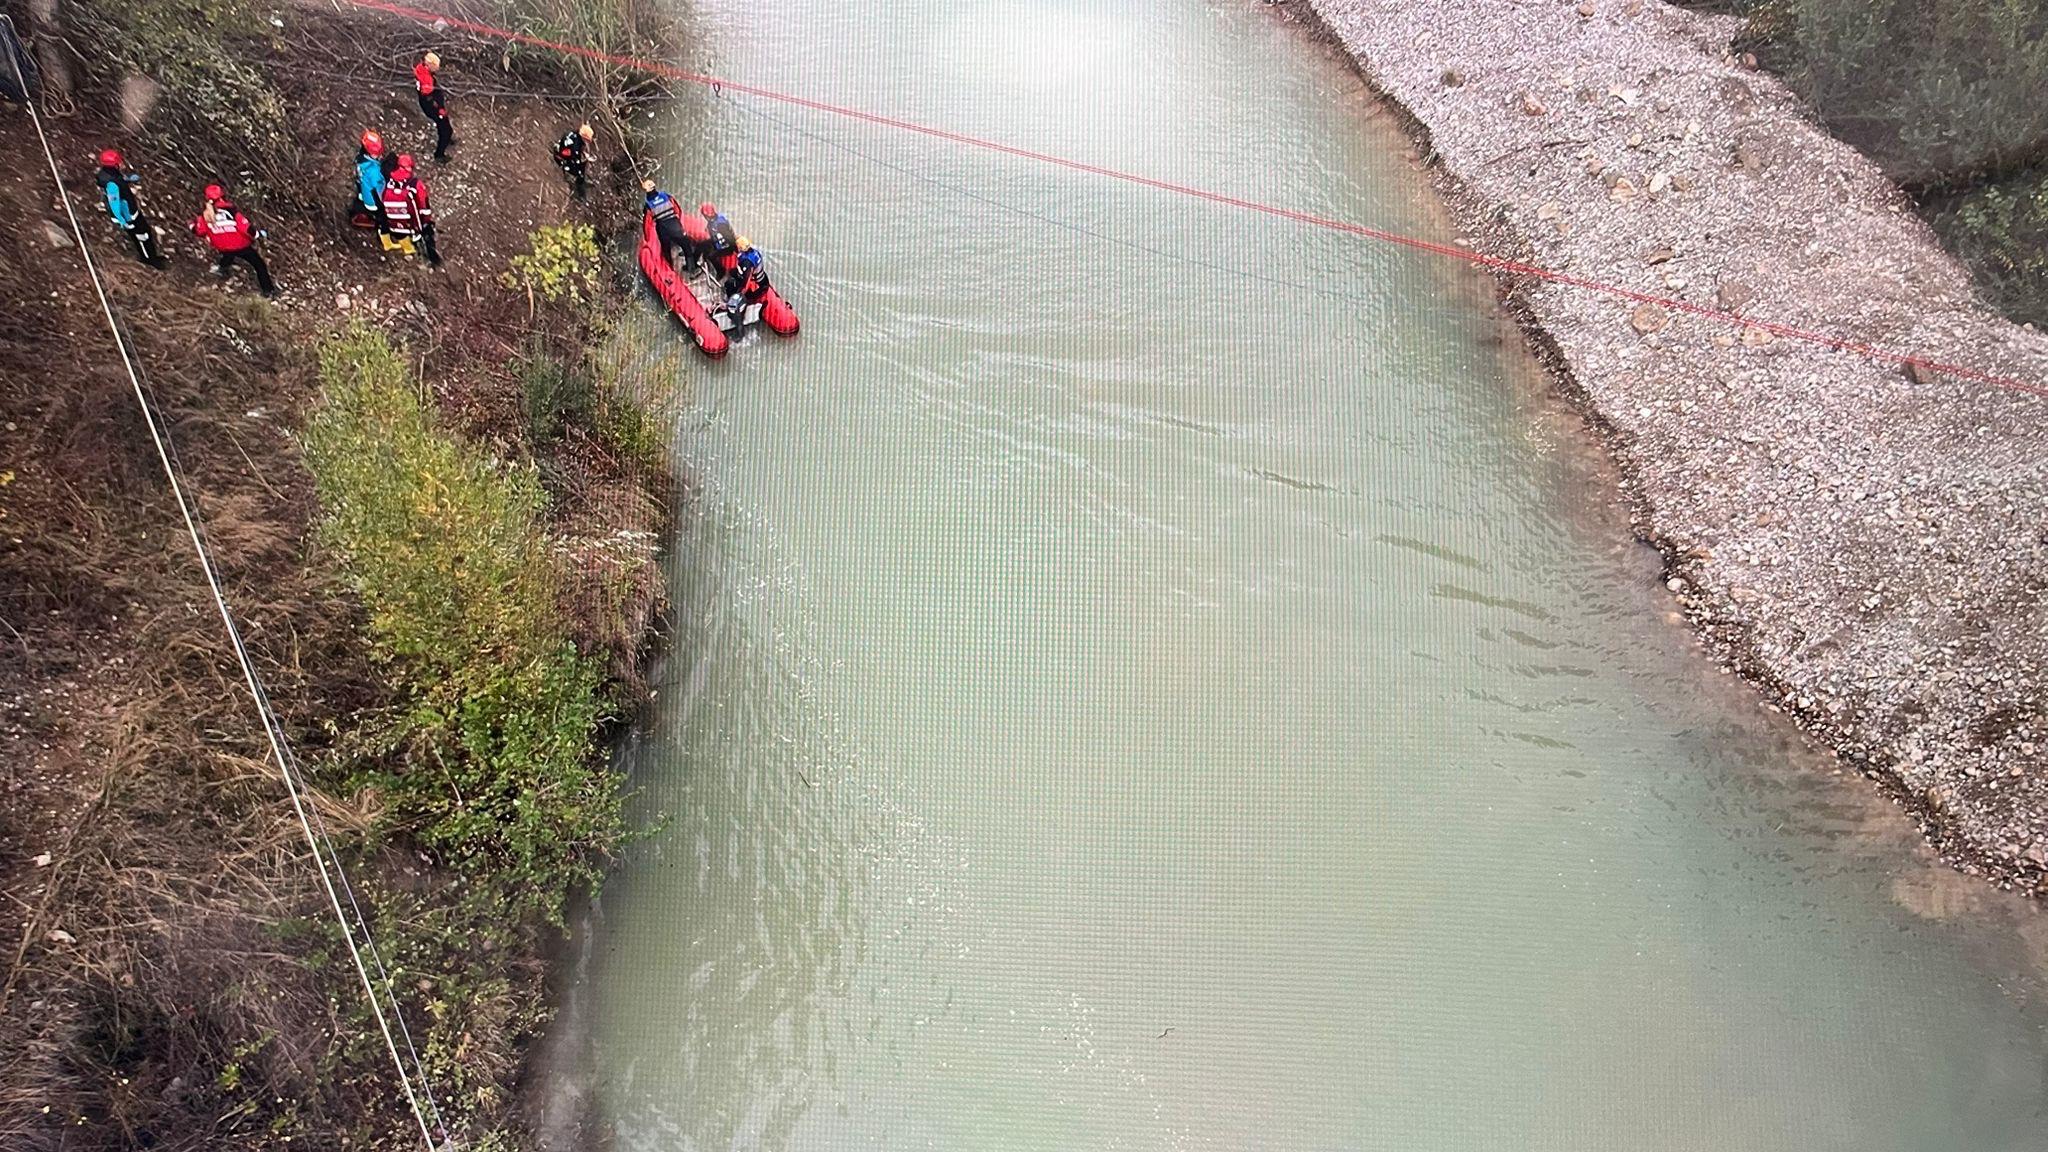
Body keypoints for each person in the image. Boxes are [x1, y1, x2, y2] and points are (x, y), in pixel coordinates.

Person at [191, 185, 275, 296]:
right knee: (259, 265)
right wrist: (258, 234)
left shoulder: (205, 215)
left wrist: (191, 225)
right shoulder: (232, 212)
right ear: (222, 196)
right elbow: (247, 229)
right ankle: (268, 291)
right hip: (241, 246)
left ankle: (222, 268)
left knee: (228, 253)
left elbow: (199, 231)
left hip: (221, 246)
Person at [95, 148, 165, 267]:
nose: (122, 164)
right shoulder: (112, 184)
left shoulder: (109, 175)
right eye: (119, 163)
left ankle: (151, 255)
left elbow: (118, 180)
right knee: (142, 236)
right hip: (128, 215)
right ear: (115, 166)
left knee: (146, 231)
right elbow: (114, 203)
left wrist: (126, 180)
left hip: (130, 211)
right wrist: (123, 221)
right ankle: (149, 259)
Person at [379, 155, 441, 266]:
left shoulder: (390, 183)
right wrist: (426, 221)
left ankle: (411, 251)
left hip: (395, 225)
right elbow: (424, 206)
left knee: (407, 240)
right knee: (427, 238)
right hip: (413, 224)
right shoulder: (415, 185)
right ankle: (433, 260)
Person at [413, 51, 453, 162]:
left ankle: (446, 139)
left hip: (428, 104)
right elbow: (429, 98)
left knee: (445, 125)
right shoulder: (427, 80)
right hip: (432, 107)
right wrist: (440, 109)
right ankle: (439, 154)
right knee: (446, 130)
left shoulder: (420, 69)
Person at [642, 180, 689, 267]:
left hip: (663, 228)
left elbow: (647, 224)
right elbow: (678, 210)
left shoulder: (648, 205)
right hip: (674, 223)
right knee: (686, 245)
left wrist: (647, 238)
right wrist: (678, 221)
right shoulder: (666, 196)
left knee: (666, 249)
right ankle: (691, 267)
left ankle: (670, 267)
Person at [353, 129, 388, 229]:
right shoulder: (373, 171)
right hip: (373, 203)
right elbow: (379, 189)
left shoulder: (361, 160)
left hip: (365, 194)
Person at [723, 235, 770, 301]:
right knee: (733, 272)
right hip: (760, 277)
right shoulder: (752, 252)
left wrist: (740, 293)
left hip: (756, 281)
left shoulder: (747, 262)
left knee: (729, 284)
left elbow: (746, 280)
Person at [554, 122, 594, 199]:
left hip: (564, 151)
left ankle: (581, 181)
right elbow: (574, 158)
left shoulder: (574, 134)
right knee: (579, 172)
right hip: (563, 158)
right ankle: (580, 192)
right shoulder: (575, 144)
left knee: (582, 164)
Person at [700, 201, 737, 272]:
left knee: (711, 256)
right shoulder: (716, 219)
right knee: (702, 245)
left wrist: (734, 249)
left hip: (726, 247)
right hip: (718, 241)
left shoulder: (720, 225)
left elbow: (730, 238)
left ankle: (720, 271)